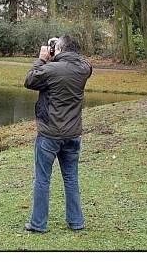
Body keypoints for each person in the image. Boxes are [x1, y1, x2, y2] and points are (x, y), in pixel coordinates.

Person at [23, 35, 92, 233]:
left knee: (42, 178)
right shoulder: (84, 68)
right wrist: (59, 45)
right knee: (71, 178)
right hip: (73, 133)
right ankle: (76, 221)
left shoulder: (51, 69)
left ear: (59, 50)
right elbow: (75, 59)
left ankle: (38, 223)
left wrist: (42, 59)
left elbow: (29, 80)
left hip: (49, 133)